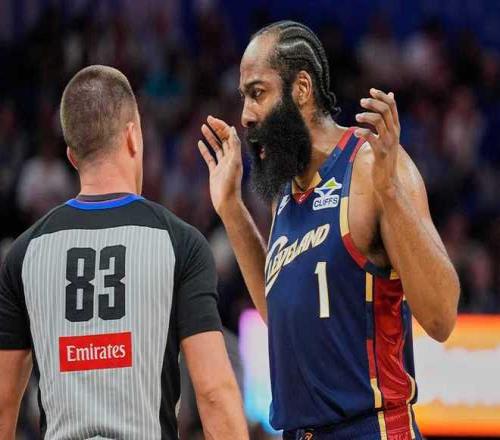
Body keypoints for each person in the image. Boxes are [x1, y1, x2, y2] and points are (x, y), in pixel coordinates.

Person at [198, 21, 460, 440]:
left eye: (257, 93)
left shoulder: (372, 165)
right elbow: (283, 317)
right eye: (243, 97)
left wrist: (391, 193)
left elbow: (442, 317)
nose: (246, 115)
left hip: (370, 428)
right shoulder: (285, 192)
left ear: (301, 89)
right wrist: (231, 208)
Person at [0, 65, 248, 440]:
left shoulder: (24, 254)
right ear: (133, 137)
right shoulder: (179, 243)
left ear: (72, 156)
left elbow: (4, 405)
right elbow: (214, 395)